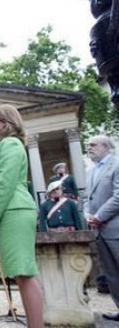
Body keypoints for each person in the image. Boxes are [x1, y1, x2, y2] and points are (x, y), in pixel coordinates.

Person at [0, 104, 44, 328]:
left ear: (5, 123)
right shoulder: (4, 145)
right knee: (20, 274)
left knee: (24, 273)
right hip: (12, 211)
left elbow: (4, 184)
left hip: (14, 210)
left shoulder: (10, 144)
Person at [82, 134, 119, 322]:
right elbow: (86, 199)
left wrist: (99, 216)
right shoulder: (90, 171)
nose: (89, 147)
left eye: (93, 144)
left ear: (106, 147)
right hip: (99, 230)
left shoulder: (117, 164)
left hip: (115, 228)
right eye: (88, 145)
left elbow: (118, 196)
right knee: (111, 273)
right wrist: (87, 214)